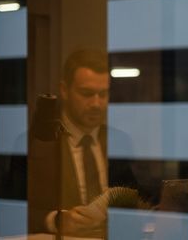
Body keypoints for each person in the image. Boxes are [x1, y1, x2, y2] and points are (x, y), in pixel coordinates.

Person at [27, 49, 139, 237]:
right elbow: (8, 209)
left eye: (103, 94)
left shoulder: (120, 142)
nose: (96, 103)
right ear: (64, 90)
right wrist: (56, 221)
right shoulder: (38, 143)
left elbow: (133, 203)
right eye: (86, 93)